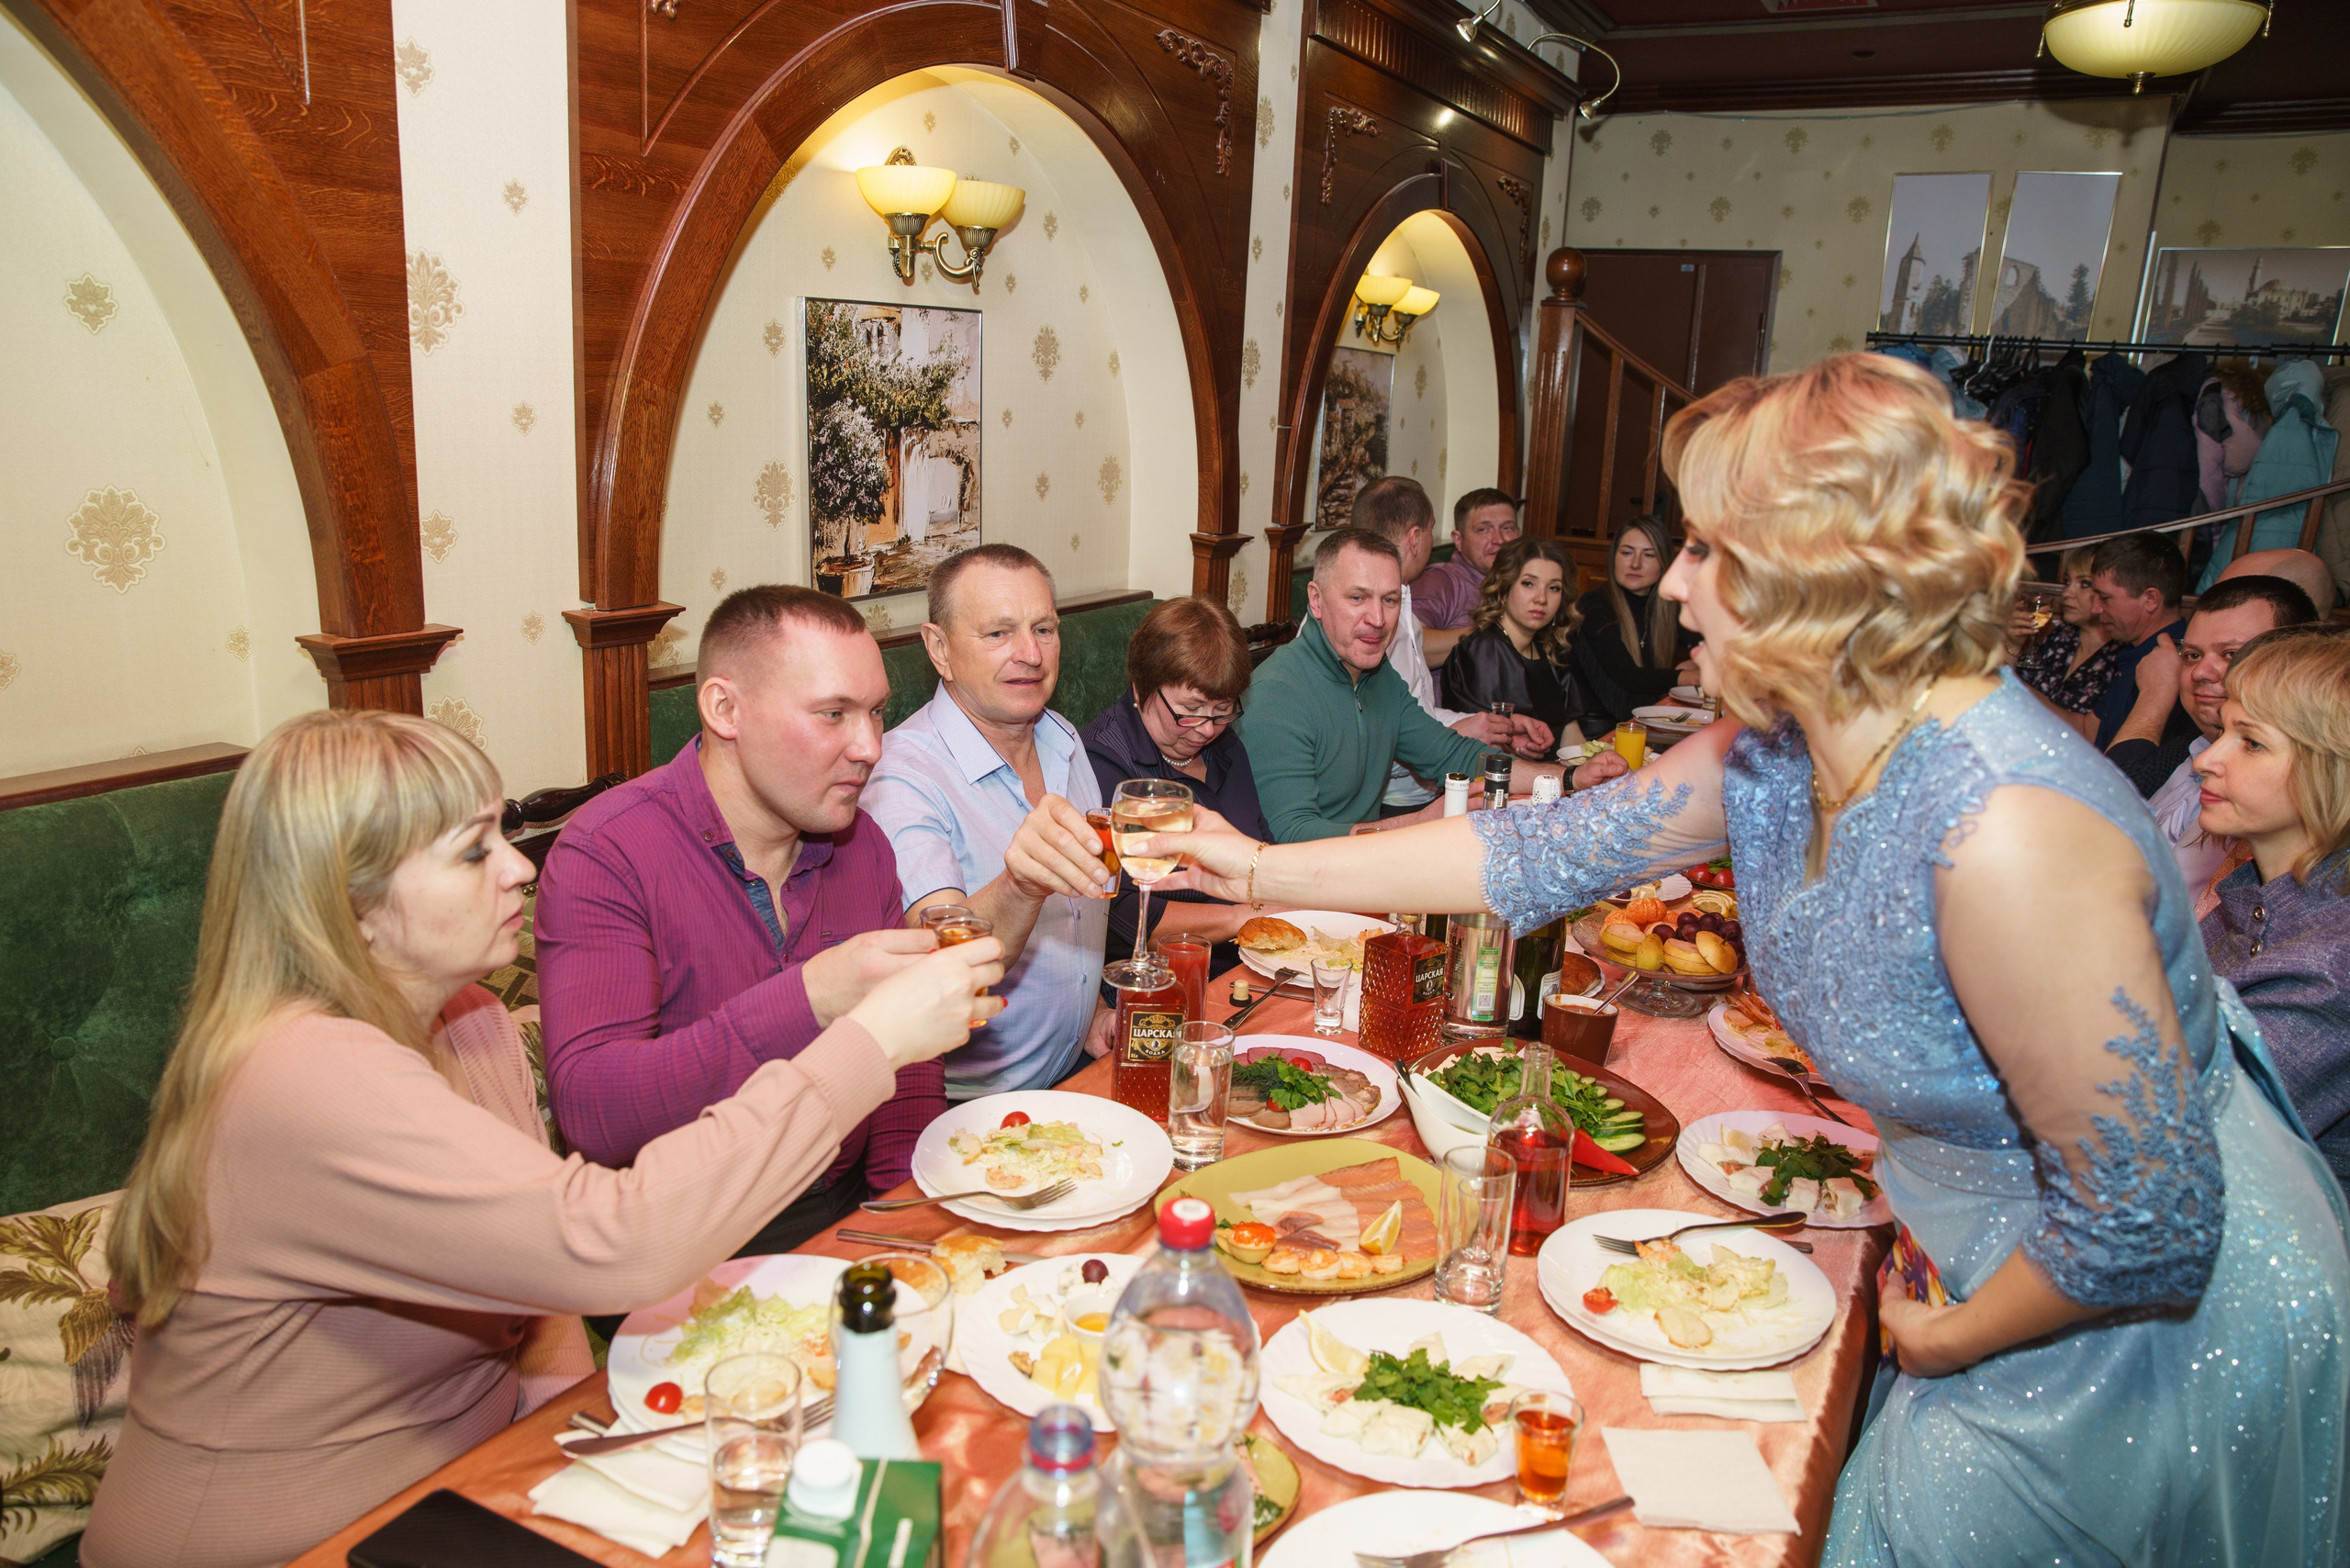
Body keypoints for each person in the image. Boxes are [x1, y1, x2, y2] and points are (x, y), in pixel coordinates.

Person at [1101, 353, 2349, 1563]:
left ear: (1812, 574)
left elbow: (2147, 1224)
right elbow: (1525, 857)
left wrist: (1946, 1337)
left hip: (2130, 1333)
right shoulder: (1785, 743)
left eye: (1706, 550)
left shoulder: (2010, 829)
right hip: (1982, 1266)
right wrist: (1251, 867)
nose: (1679, 583)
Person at [81, 711, 998, 1568]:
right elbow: (610, 1236)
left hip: (461, 1491)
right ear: (352, 904)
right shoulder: (303, 1072)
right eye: (471, 850)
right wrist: (867, 1044)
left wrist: (561, 1422)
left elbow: (534, 1247)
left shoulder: (471, 1019)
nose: (518, 867)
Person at [536, 588, 951, 1269]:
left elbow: (906, 1061)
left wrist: (901, 1224)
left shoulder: (862, 843)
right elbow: (594, 1110)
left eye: (877, 712)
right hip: (685, 1245)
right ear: (725, 709)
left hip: (843, 1215)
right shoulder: (607, 852)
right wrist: (811, 997)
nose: (871, 746)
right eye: (833, 714)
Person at [864, 544, 1123, 1093]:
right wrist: (1021, 885)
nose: (1030, 653)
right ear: (939, 649)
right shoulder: (901, 777)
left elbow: (1078, 917)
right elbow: (941, 963)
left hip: (1075, 1072)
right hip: (963, 1109)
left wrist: (1094, 1014)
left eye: (1044, 629)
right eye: (998, 633)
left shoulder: (1064, 739)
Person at [1239, 527, 1626, 841]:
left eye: (1389, 600)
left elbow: (1454, 755)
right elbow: (1290, 835)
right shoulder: (1277, 692)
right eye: (1358, 597)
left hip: (1363, 871)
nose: (1377, 618)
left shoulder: (1376, 675)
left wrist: (1570, 777)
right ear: (1316, 600)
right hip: (1292, 901)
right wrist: (1420, 822)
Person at [2194, 624, 2350, 1192]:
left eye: (2251, 742)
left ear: (2331, 768)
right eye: (2222, 733)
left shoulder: (2333, 957)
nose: (2206, 760)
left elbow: (2186, 1136)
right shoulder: (2251, 889)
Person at [1080, 596, 1274, 979]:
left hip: (1245, 968)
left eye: (1222, 710)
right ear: (1141, 690)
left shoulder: (1225, 747)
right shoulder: (1102, 762)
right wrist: (1243, 918)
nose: (1205, 729)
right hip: (1150, 985)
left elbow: (1262, 847)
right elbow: (1122, 913)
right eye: (1191, 710)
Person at [2099, 575, 2317, 892]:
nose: (2200, 672)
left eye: (2231, 654)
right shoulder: (2192, 747)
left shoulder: (2285, 792)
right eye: (2192, 655)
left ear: (2291, 660)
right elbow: (2108, 802)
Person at [1350, 476, 1538, 817]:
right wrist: (1456, 734)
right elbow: (1363, 746)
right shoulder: (1370, 622)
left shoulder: (1403, 600)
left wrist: (1485, 723)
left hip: (1427, 788)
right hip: (1387, 805)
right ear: (1416, 538)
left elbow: (1413, 709)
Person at [1438, 538, 1597, 746]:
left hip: (1552, 774)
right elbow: (1483, 748)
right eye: (1529, 584)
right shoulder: (1482, 652)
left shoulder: (1549, 651)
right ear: (1504, 589)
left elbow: (1572, 739)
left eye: (1554, 588)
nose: (1541, 598)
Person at [1569, 514, 1697, 726]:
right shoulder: (1594, 605)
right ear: (1614, 557)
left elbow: (1705, 642)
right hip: (1596, 730)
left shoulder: (1666, 607)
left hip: (1640, 722)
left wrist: (1700, 660)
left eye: (1648, 555)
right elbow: (1629, 677)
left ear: (1664, 563)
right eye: (1627, 553)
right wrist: (1688, 676)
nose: (1635, 564)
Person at [2075, 530, 2194, 751]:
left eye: (2106, 598)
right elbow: (2088, 730)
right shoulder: (2136, 650)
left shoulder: (2176, 664)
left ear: (2150, 599)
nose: (2095, 609)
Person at [1412, 487, 1522, 662]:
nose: (1499, 540)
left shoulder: (1525, 584)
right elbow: (1411, 646)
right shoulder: (1442, 580)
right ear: (1459, 540)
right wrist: (1499, 634)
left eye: (1507, 528)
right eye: (1483, 530)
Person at [2010, 543, 2121, 716]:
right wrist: (2013, 645)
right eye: (2067, 582)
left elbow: (2090, 734)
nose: (2067, 593)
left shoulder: (2119, 657)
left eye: (2084, 584)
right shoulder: (2059, 637)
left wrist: (2016, 686)